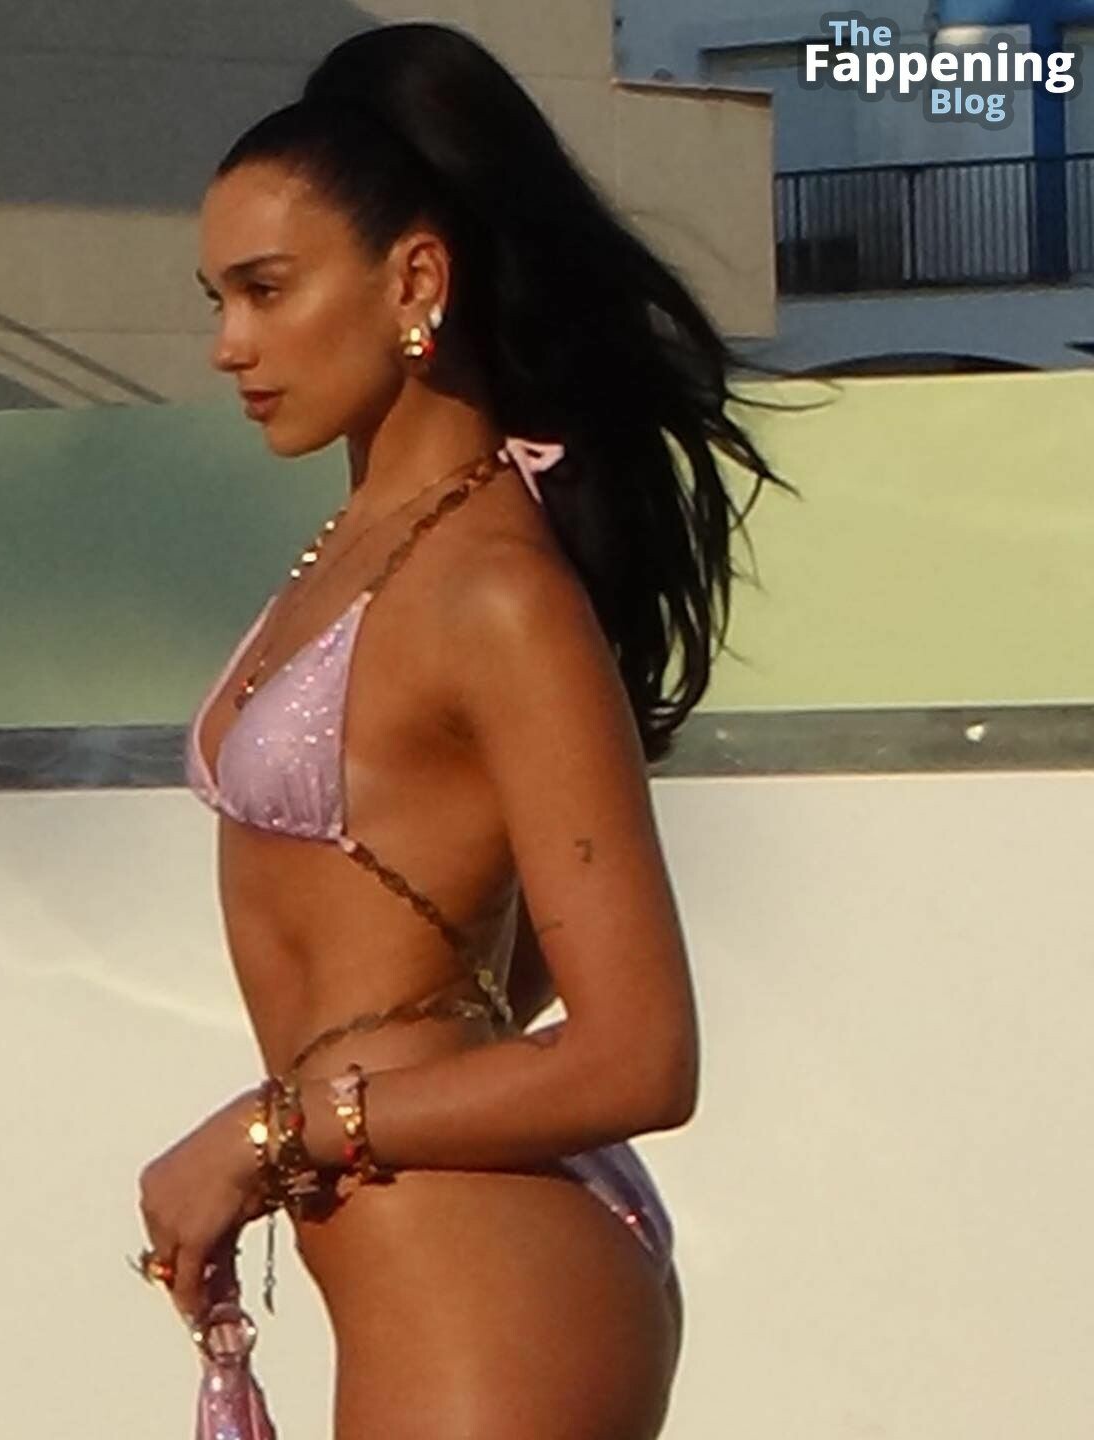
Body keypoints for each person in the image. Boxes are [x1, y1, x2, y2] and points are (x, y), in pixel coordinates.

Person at [137, 21, 801, 1439]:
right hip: (423, 1263)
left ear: (416, 282)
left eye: (267, 290)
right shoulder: (365, 547)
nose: (229, 344)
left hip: (492, 1289)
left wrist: (266, 1137)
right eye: (218, 297)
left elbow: (640, 1056)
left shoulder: (497, 589)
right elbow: (477, 950)